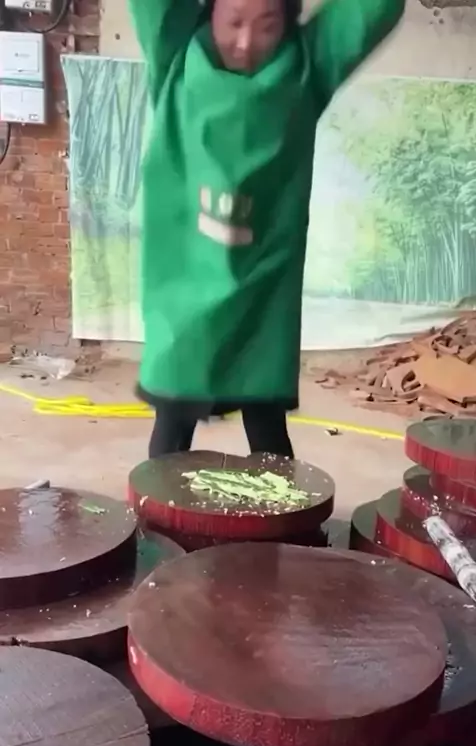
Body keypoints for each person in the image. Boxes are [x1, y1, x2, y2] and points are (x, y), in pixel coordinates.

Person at [129, 0, 405, 459]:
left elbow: (371, 9)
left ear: (288, 22)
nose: (246, 43)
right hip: (185, 298)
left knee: (269, 440)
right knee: (172, 431)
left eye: (267, 26)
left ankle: (283, 514)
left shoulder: (308, 67)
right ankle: (156, 511)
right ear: (208, 13)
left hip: (264, 294)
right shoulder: (175, 54)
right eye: (233, 22)